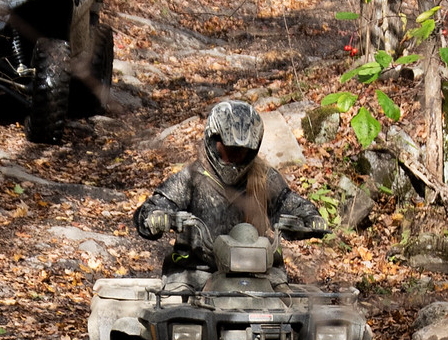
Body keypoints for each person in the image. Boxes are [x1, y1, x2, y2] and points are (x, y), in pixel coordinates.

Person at [134, 100, 325, 271]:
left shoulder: (264, 178)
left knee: (284, 294)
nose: (234, 156)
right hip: (197, 269)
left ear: (253, 149)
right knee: (175, 296)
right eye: (229, 149)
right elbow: (155, 207)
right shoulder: (191, 178)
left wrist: (309, 217)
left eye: (241, 151)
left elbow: (288, 201)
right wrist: (156, 217)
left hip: (255, 270)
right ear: (213, 140)